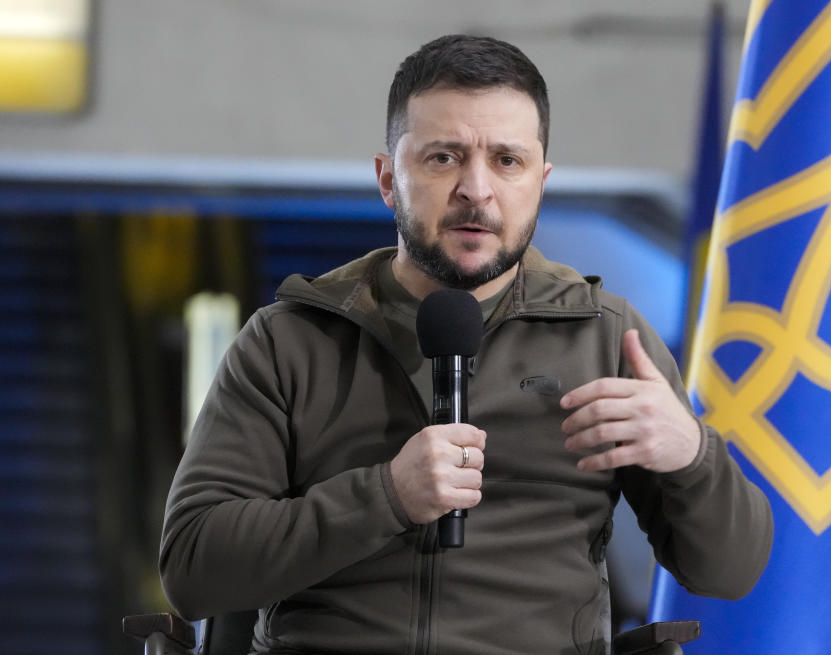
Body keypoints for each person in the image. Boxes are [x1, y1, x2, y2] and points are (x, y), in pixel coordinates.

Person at [159, 34, 773, 655]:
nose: (476, 190)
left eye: (507, 161)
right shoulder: (290, 340)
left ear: (541, 180)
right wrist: (386, 496)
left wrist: (691, 454)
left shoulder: (605, 338)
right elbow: (191, 567)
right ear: (387, 179)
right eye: (444, 158)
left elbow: (730, 571)